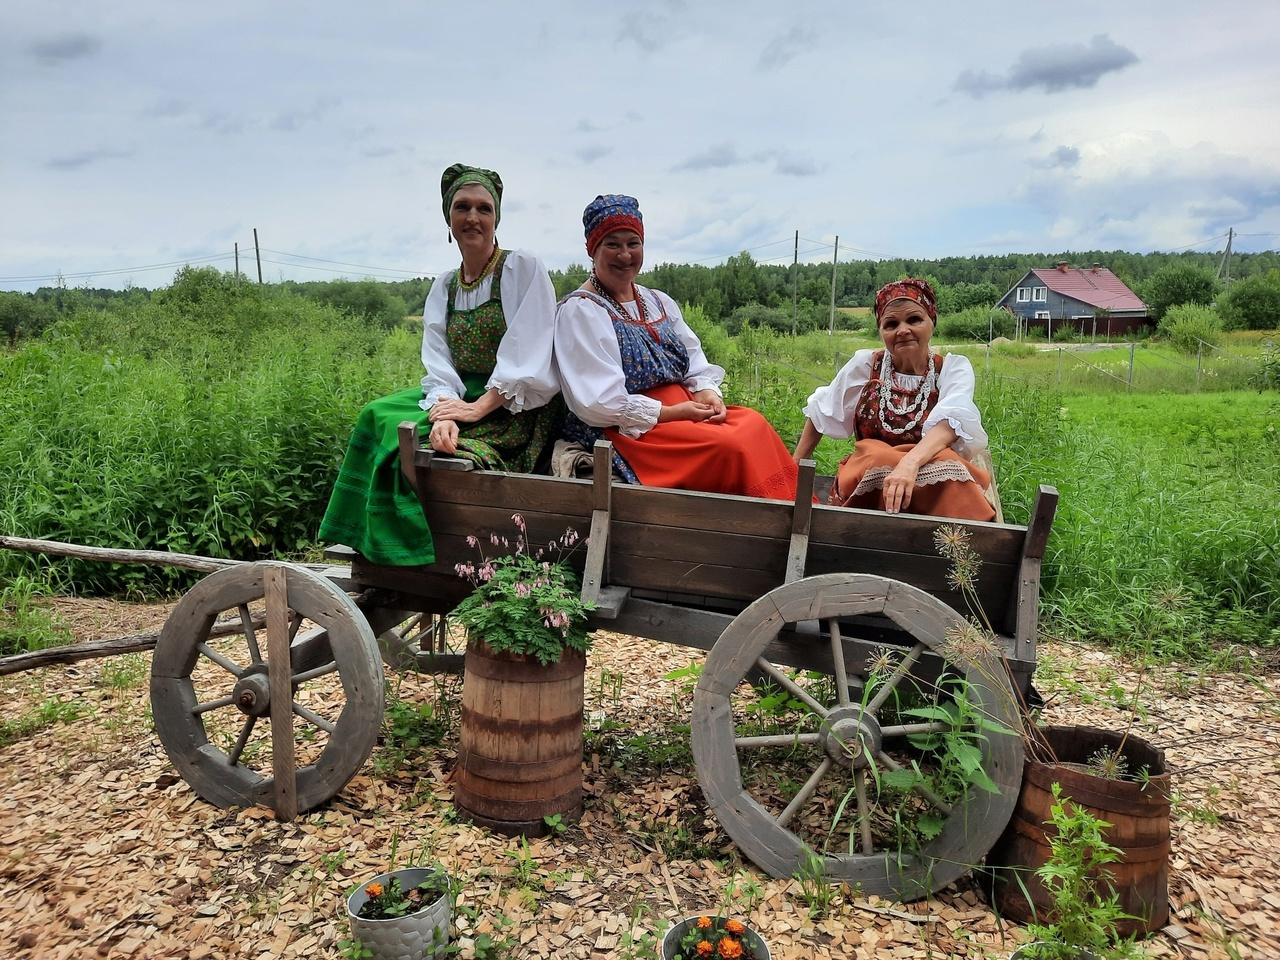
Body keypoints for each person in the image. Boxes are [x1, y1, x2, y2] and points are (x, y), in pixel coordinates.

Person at [319, 163, 561, 565]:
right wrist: (444, 410)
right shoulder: (446, 285)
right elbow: (438, 360)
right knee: (375, 414)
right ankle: (367, 540)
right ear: (448, 219)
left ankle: (410, 546)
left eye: (483, 208)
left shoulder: (520, 268)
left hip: (514, 405)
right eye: (462, 207)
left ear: (496, 217)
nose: (472, 217)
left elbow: (531, 352)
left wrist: (475, 409)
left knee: (414, 444)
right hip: (463, 394)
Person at [553, 194, 798, 501]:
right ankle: (759, 527)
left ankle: (790, 517)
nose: (625, 255)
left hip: (684, 411)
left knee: (754, 425)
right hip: (629, 429)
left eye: (633, 243)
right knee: (730, 447)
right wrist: (671, 413)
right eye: (612, 244)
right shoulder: (581, 310)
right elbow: (597, 403)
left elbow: (694, 361)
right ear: (593, 249)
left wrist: (707, 393)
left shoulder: (657, 301)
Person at [792, 277, 996, 521]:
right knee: (880, 457)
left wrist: (909, 465)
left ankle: (959, 546)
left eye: (914, 319)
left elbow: (952, 422)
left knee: (948, 465)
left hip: (928, 467)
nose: (902, 330)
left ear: (932, 321)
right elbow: (823, 410)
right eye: (891, 324)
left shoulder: (952, 369)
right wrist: (793, 469)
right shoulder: (865, 366)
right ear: (881, 332)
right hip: (870, 468)